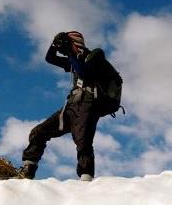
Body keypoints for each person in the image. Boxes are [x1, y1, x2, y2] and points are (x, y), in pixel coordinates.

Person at [17, 31, 110, 181]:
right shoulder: (74, 60)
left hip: (87, 104)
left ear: (76, 43)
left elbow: (83, 72)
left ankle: (86, 179)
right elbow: (50, 58)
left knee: (83, 141)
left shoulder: (94, 56)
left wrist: (70, 52)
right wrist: (55, 44)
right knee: (39, 132)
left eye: (68, 44)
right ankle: (28, 169)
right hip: (71, 106)